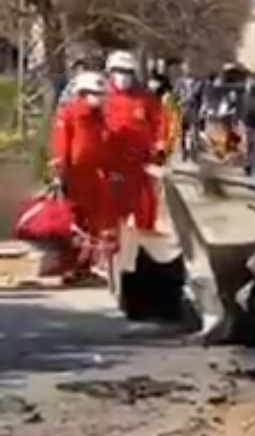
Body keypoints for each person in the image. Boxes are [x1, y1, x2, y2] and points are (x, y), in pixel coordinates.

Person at [48, 70, 116, 281]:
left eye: (101, 94)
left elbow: (104, 146)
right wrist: (59, 166)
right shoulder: (68, 113)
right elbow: (61, 141)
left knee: (95, 224)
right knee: (75, 223)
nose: (100, 98)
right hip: (75, 176)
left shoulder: (99, 118)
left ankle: (87, 265)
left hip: (95, 177)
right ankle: (71, 266)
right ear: (83, 93)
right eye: (96, 94)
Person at [103, 50, 165, 232]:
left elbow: (161, 124)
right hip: (109, 164)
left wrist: (160, 153)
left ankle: (144, 241)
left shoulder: (145, 98)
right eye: (118, 71)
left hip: (139, 164)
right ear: (110, 72)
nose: (123, 76)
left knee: (145, 208)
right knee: (108, 211)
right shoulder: (101, 97)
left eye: (127, 72)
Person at [148, 69, 182, 164]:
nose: (151, 84)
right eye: (151, 81)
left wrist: (168, 143)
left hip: (163, 139)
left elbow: (174, 119)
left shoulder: (169, 98)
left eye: (154, 82)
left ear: (161, 83)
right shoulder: (149, 96)